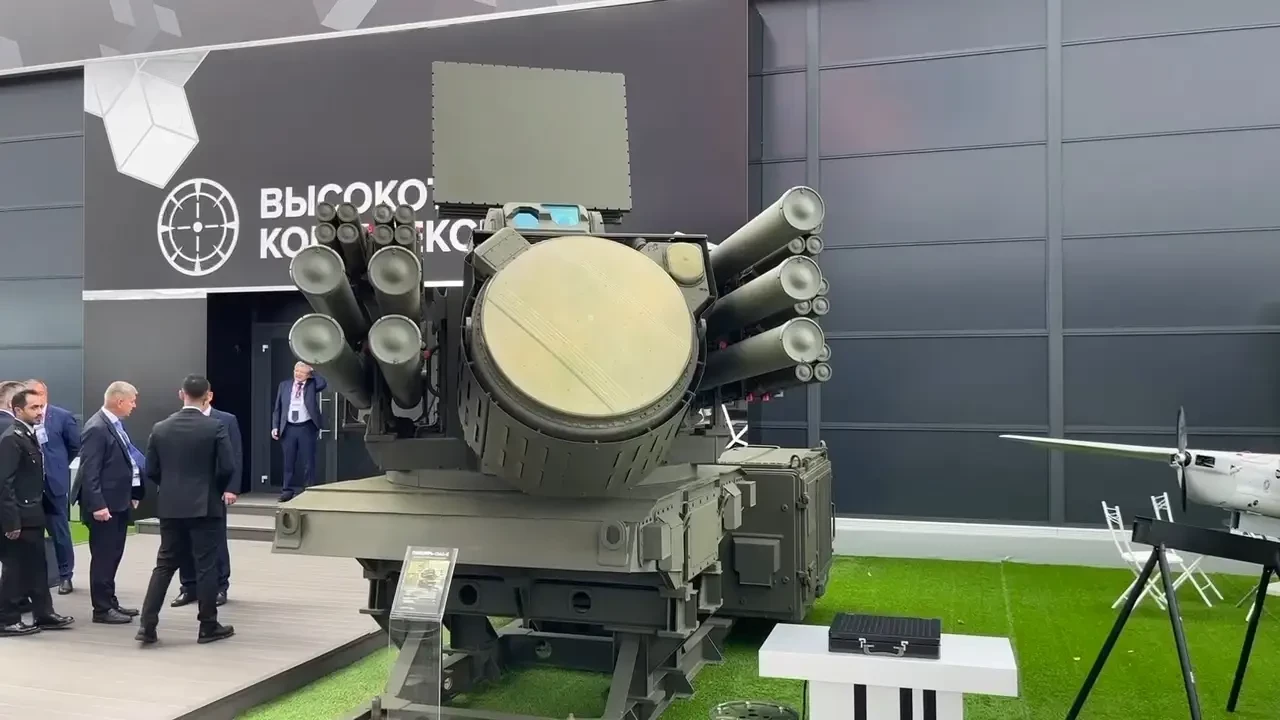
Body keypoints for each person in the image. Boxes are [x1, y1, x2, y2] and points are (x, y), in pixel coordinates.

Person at [137, 375, 236, 645]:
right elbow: (227, 466)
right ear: (207, 396)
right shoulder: (215, 427)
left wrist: (170, 486)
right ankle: (207, 625)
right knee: (206, 566)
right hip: (205, 506)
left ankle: (147, 625)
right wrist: (214, 488)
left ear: (181, 394)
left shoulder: (160, 428)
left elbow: (151, 469)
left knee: (164, 565)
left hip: (170, 506)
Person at [0, 388, 74, 637]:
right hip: (19, 516)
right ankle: (6, 619)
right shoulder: (12, 439)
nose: (40, 412)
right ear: (17, 409)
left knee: (38, 566)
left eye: (41, 406)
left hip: (33, 512)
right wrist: (11, 521)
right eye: (34, 407)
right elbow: (5, 484)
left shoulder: (28, 435)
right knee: (15, 568)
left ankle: (44, 613)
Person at [72, 382, 145, 624]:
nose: (134, 405)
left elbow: (126, 463)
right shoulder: (97, 428)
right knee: (104, 557)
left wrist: (133, 492)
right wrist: (98, 505)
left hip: (118, 502)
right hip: (104, 506)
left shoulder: (114, 425)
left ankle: (110, 601)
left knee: (113, 555)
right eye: (132, 401)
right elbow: (90, 470)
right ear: (119, 401)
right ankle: (102, 609)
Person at [172, 385, 242, 608]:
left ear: (209, 396)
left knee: (217, 540)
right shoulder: (176, 421)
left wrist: (231, 488)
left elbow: (235, 456)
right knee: (185, 541)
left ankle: (220, 586)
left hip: (215, 491)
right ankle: (189, 586)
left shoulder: (226, 420)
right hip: (185, 493)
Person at [25, 380, 80, 595]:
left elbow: (74, 446)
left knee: (60, 532)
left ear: (46, 394)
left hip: (54, 484)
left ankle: (66, 575)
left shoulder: (62, 416)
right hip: (29, 487)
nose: (37, 398)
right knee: (31, 534)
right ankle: (34, 579)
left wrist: (57, 466)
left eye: (39, 393)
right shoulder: (23, 418)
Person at [271, 362, 326, 502]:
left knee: (308, 461)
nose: (298, 374)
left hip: (306, 427)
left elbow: (323, 383)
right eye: (296, 371)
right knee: (288, 461)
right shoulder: (284, 385)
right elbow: (278, 408)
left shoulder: (312, 384)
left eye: (302, 372)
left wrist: (313, 371)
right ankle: (287, 491)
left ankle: (308, 489)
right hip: (288, 427)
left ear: (308, 374)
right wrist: (275, 426)